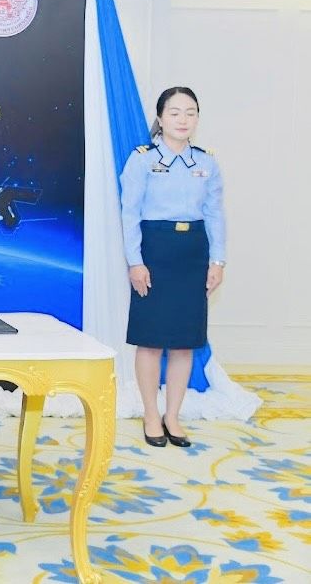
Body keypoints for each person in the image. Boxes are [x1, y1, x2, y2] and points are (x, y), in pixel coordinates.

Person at [121, 86, 225, 449]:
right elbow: (130, 214)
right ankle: (151, 414)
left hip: (193, 253)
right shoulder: (142, 160)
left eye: (190, 113)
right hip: (154, 250)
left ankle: (173, 416)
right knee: (150, 340)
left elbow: (215, 215)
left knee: (185, 342)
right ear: (161, 118)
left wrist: (217, 261)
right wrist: (135, 262)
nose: (183, 120)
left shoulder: (206, 162)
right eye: (175, 113)